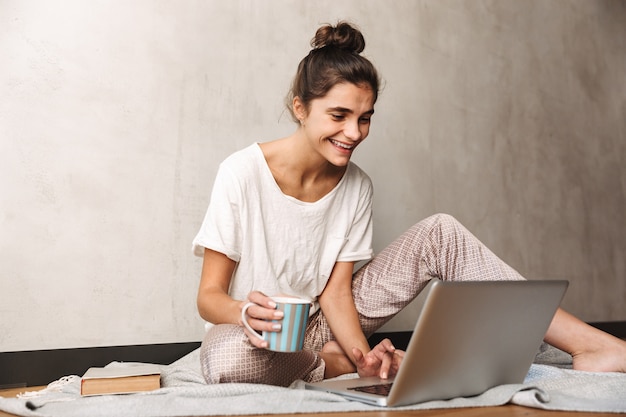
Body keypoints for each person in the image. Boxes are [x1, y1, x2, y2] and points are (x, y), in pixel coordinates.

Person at [192, 21, 626, 387]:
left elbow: (337, 291)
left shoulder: (356, 185)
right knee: (227, 362)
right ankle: (329, 363)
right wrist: (246, 314)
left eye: (365, 118)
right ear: (301, 108)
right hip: (254, 335)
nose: (354, 133)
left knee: (440, 231)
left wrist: (363, 357)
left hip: (323, 320)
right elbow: (209, 297)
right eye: (339, 115)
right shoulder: (241, 172)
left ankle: (590, 344)